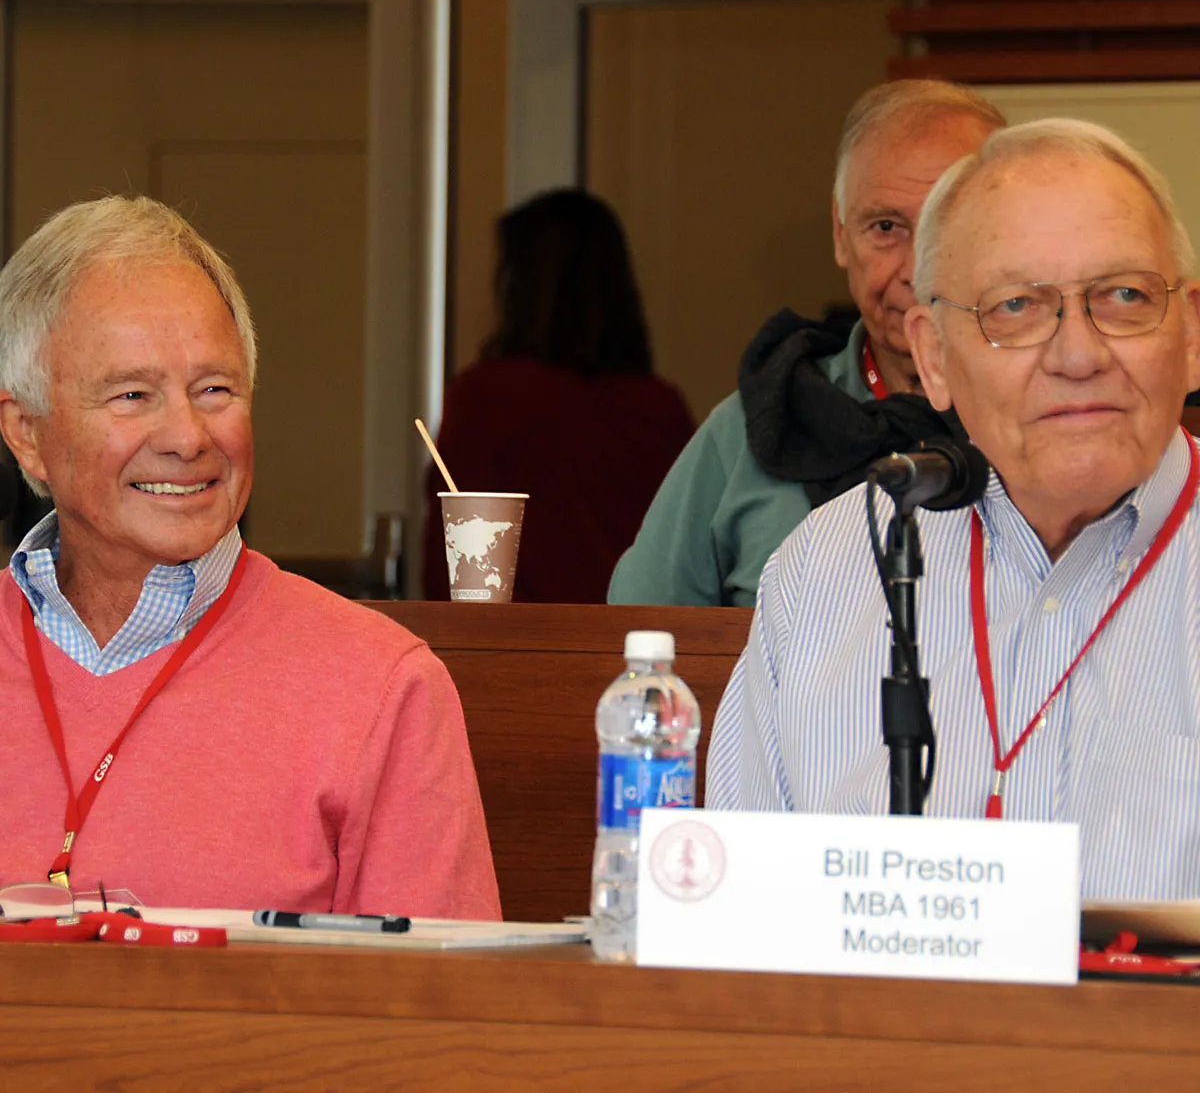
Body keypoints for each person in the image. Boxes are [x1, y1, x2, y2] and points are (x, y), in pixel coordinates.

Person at [706, 119, 1200, 900]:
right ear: (933, 356)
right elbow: (738, 926)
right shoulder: (829, 570)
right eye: (1015, 308)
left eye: (1125, 297)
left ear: (1193, 331)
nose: (1078, 355)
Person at [0, 195, 501, 918]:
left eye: (216, 390)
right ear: (25, 433)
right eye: (133, 394)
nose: (187, 435)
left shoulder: (381, 688)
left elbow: (445, 1013)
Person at [608, 79, 1006, 607]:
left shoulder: (1060, 419)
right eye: (886, 227)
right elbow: (634, 644)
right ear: (842, 235)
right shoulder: (762, 423)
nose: (916, 271)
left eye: (947, 224)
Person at [423, 189, 694, 603]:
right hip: (633, 650)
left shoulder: (488, 398)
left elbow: (451, 572)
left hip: (514, 652)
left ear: (522, 287)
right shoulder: (661, 409)